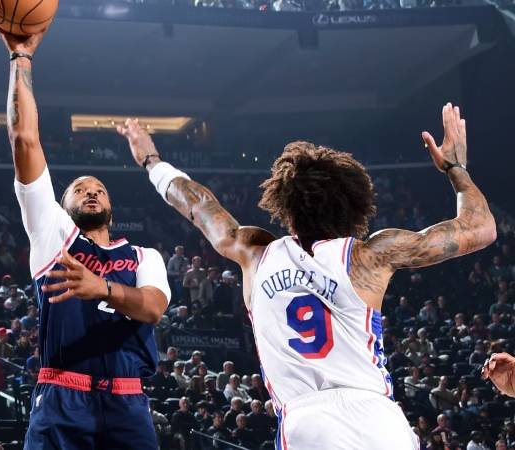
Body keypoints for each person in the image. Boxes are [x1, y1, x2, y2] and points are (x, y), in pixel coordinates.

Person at [119, 103, 496, 449]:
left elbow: (199, 204)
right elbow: (480, 229)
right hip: (379, 419)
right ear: (355, 205)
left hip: (309, 421)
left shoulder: (254, 251)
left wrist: (152, 161)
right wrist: (456, 168)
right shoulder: (369, 255)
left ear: (285, 206)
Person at [0, 24, 171, 450]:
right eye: (80, 188)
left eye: (99, 189)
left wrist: (102, 288)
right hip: (62, 395)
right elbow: (24, 139)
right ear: (62, 201)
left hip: (127, 400)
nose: (91, 190)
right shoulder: (51, 232)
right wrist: (21, 57)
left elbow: (153, 309)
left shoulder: (144, 255)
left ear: (112, 205)